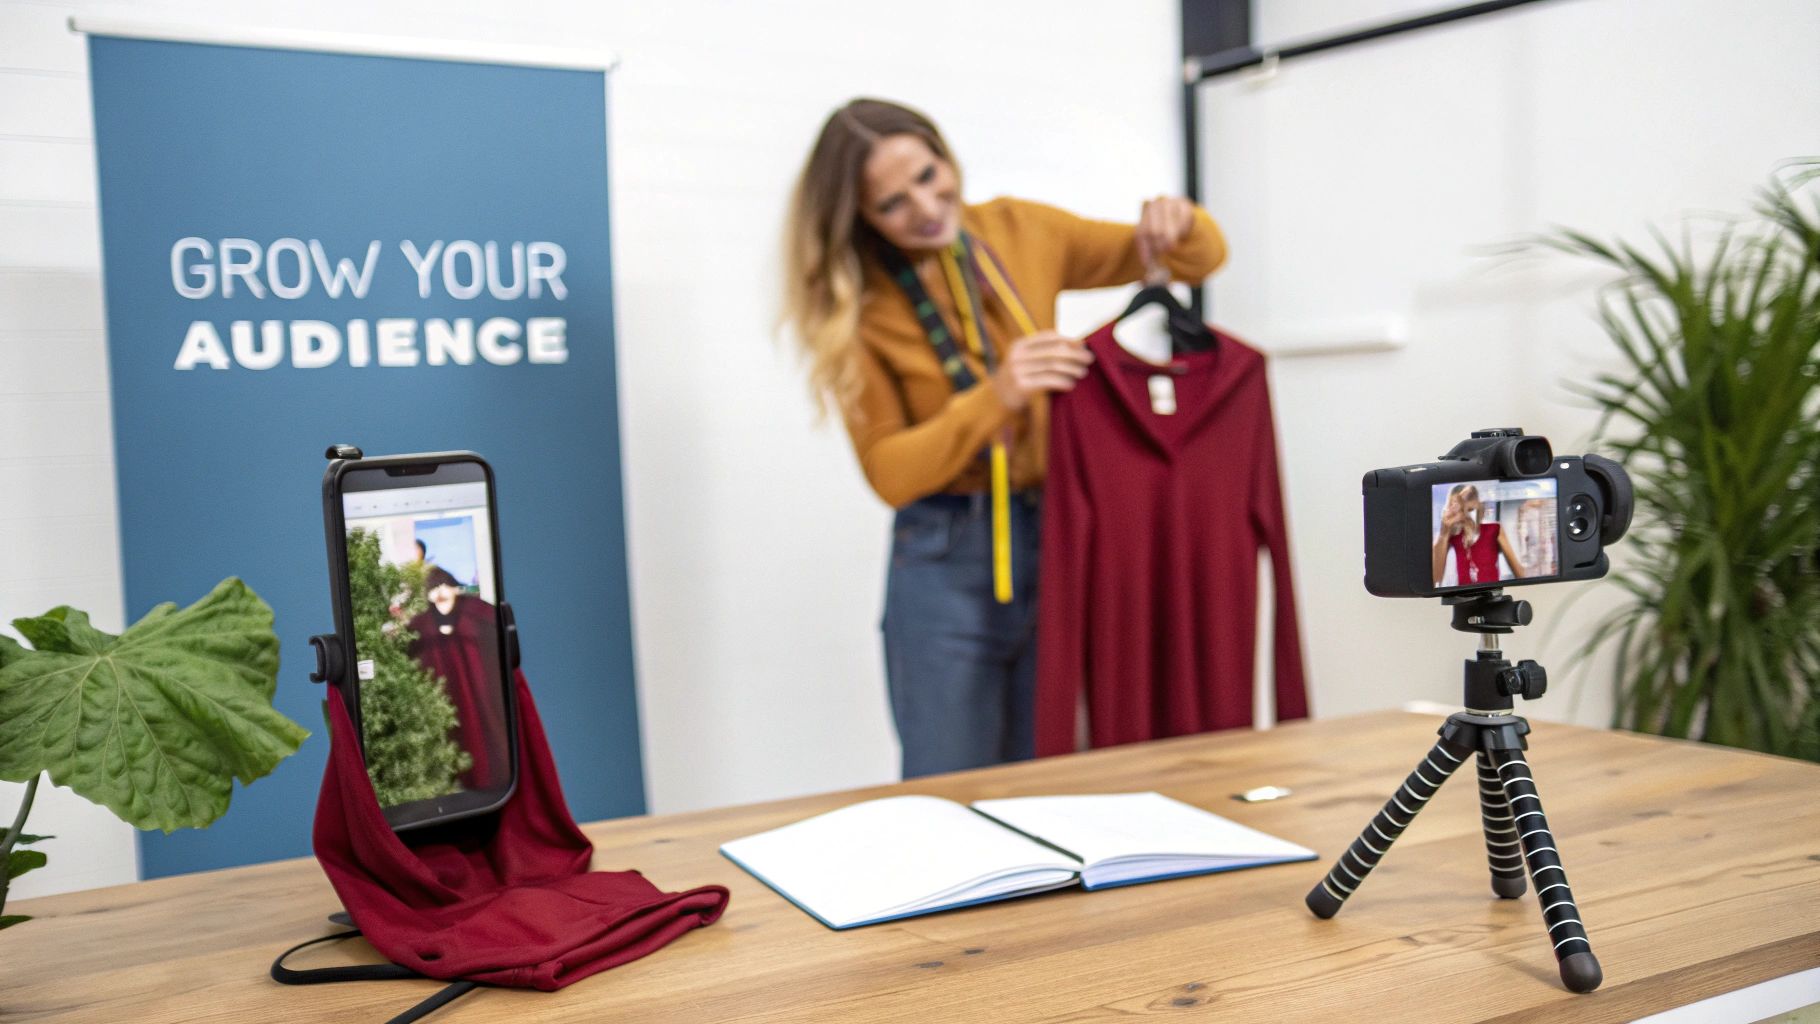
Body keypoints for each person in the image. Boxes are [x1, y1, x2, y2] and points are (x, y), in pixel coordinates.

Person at [781, 97, 1229, 778]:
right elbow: (890, 474)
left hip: (1060, 536)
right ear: (861, 219)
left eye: (930, 176)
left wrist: (1181, 220)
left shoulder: (1021, 230)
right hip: (943, 554)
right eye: (893, 204)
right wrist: (999, 396)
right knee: (949, 785)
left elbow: (1197, 259)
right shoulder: (858, 306)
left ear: (946, 155)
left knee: (1047, 776)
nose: (927, 207)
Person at [407, 566, 510, 790]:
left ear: (455, 588)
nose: (441, 592)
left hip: (479, 695)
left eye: (445, 586)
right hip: (444, 699)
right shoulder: (420, 626)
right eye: (434, 588)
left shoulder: (479, 615)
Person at [1432, 484, 1531, 587]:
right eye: (1460, 510)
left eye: (1470, 510)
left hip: (1491, 594)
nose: (1465, 516)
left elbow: (1519, 573)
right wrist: (1444, 533)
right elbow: (1435, 578)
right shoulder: (1449, 537)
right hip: (1463, 596)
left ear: (1479, 508)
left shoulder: (1493, 530)